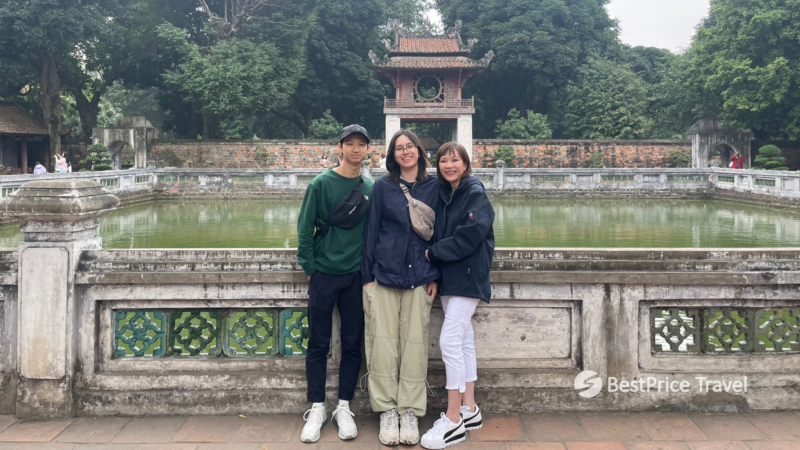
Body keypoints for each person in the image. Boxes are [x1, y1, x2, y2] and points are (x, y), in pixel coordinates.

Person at [296, 124, 375, 443]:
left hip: (355, 276)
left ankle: (344, 406)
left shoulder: (370, 187)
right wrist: (311, 267)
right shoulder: (321, 184)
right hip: (324, 274)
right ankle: (317, 406)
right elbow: (304, 227)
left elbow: (373, 234)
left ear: (369, 150)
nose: (355, 149)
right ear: (339, 148)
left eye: (361, 145)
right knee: (318, 342)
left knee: (353, 343)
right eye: (350, 144)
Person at [361, 129, 439, 446]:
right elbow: (372, 229)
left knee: (415, 346)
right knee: (381, 345)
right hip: (384, 273)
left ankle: (409, 410)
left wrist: (436, 274)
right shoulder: (383, 186)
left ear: (420, 151)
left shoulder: (435, 188)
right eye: (398, 148)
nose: (405, 152)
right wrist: (367, 275)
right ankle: (386, 410)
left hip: (421, 276)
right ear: (392, 155)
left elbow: (441, 235)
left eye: (410, 147)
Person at [421, 142, 495, 450]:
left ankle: (453, 421)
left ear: (465, 164)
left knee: (450, 341)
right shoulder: (447, 195)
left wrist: (431, 254)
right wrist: (436, 271)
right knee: (463, 339)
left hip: (467, 278)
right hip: (451, 278)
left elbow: (466, 239)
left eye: (455, 160)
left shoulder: (474, 194)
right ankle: (470, 408)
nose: (449, 165)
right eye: (443, 161)